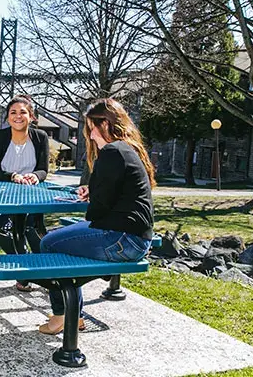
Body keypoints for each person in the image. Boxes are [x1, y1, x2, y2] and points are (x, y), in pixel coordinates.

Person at [37, 98, 156, 335]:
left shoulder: (111, 152)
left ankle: (62, 315)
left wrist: (94, 197)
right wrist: (94, 190)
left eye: (92, 128)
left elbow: (97, 212)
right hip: (136, 238)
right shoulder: (126, 150)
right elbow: (119, 194)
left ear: (107, 124)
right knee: (64, 243)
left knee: (48, 244)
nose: (90, 136)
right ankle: (75, 316)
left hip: (122, 239)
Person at [0, 94, 49, 291]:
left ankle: (45, 271)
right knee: (3, 228)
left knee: (33, 228)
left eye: (23, 112)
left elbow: (44, 169)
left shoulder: (40, 137)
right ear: (7, 117)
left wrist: (36, 176)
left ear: (32, 117)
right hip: (2, 193)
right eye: (13, 112)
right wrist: (12, 176)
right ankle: (24, 269)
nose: (18, 116)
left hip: (30, 192)